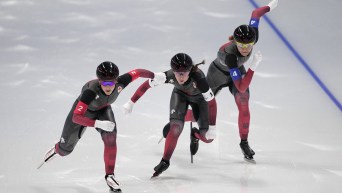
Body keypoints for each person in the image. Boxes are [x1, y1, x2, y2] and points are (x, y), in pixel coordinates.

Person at [38, 61, 157, 193]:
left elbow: (138, 72)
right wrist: (98, 124)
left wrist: (154, 75)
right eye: (104, 83)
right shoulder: (90, 91)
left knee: (111, 137)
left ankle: (110, 176)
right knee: (65, 151)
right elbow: (76, 117)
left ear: (116, 81)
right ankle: (57, 149)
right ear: (99, 81)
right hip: (83, 114)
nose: (108, 86)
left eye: (111, 82)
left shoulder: (121, 83)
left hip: (103, 110)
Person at [199, 0, 278, 160]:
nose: (245, 49)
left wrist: (269, 7)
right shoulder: (230, 56)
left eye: (249, 45)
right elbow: (241, 86)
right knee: (199, 112)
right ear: (235, 42)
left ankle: (244, 142)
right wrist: (254, 66)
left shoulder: (252, 36)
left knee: (244, 105)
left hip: (236, 71)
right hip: (217, 75)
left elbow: (255, 14)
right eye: (241, 45)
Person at [123, 53, 217, 177]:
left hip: (200, 100)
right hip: (180, 95)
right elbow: (146, 85)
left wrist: (213, 127)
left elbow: (212, 103)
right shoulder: (168, 75)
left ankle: (195, 133)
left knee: (208, 138)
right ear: (173, 71)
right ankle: (165, 161)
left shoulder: (199, 79)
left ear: (190, 70)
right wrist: (131, 102)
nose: (181, 76)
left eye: (184, 72)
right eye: (178, 73)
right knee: (176, 127)